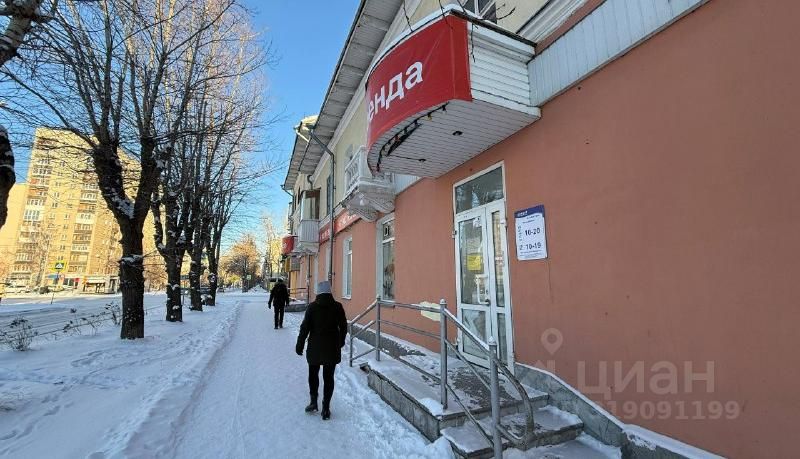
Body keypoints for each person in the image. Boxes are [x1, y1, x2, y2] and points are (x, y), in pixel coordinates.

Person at [295, 281, 347, 420]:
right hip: (332, 348)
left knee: (313, 375)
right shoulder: (337, 307)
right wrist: (340, 341)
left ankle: (313, 402)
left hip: (315, 347)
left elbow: (305, 327)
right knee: (328, 378)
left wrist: (300, 344)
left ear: (318, 292)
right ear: (330, 292)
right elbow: (343, 326)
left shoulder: (312, 307)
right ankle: (326, 408)